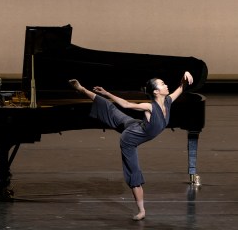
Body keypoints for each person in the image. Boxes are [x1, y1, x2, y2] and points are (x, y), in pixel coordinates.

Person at [69, 71, 193, 221]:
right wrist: (107, 92)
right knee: (134, 173)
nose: (166, 85)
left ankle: (83, 90)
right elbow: (126, 104)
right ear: (156, 91)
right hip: (129, 139)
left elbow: (182, 86)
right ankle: (141, 210)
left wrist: (185, 74)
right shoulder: (150, 107)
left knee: (113, 112)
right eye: (162, 84)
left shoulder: (168, 101)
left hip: (134, 125)